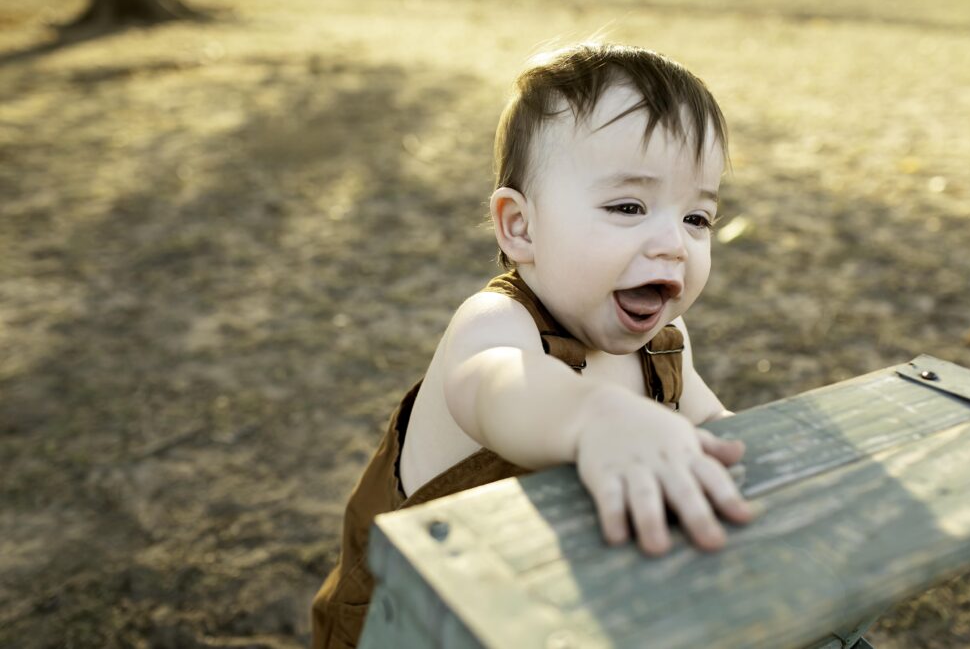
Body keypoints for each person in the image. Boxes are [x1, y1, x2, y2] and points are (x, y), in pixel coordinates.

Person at [311, 42, 759, 648]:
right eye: (629, 205)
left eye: (696, 218)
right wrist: (597, 416)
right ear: (520, 227)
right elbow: (500, 388)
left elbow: (714, 427)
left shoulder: (665, 347)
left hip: (549, 615)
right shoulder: (494, 325)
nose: (674, 244)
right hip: (418, 624)